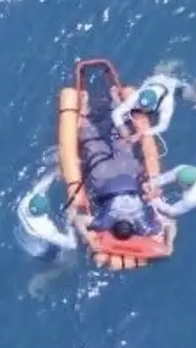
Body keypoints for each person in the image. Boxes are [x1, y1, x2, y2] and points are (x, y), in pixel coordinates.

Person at [70, 92, 177, 253]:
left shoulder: (141, 222)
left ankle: (116, 103)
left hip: (128, 175)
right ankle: (85, 113)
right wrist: (86, 237)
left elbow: (171, 224)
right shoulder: (107, 221)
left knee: (123, 143)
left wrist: (170, 244)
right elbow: (79, 220)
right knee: (92, 144)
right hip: (104, 178)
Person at [110, 59, 196, 143]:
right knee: (161, 70)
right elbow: (116, 113)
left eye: (145, 109)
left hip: (173, 86)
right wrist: (121, 128)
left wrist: (142, 133)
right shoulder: (137, 96)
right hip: (156, 79)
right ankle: (172, 64)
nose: (141, 110)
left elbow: (163, 126)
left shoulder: (167, 103)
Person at [14, 170, 78, 261]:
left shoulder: (24, 204)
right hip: (37, 250)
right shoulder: (46, 229)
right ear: (44, 214)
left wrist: (55, 173)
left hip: (20, 235)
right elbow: (72, 244)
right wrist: (70, 222)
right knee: (70, 262)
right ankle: (48, 274)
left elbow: (40, 187)